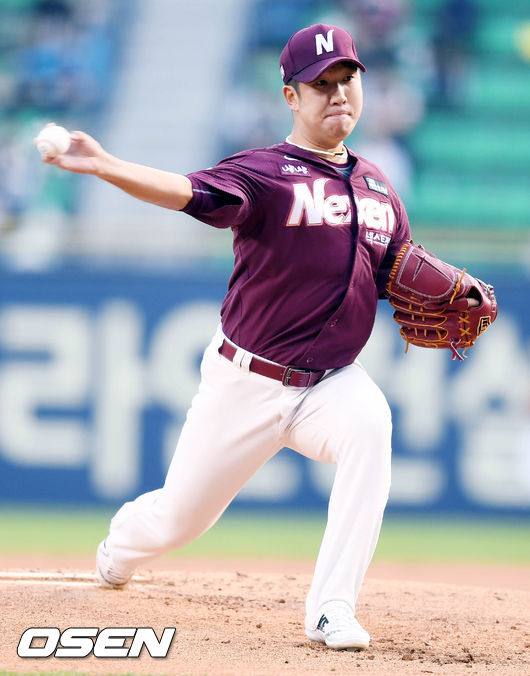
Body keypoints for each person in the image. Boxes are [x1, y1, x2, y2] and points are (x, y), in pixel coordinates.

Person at [38, 24, 413, 651]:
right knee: (179, 521)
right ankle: (120, 547)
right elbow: (187, 192)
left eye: (347, 79)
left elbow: (397, 273)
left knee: (371, 427)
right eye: (320, 84)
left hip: (330, 384)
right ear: (291, 97)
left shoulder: (379, 189)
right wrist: (105, 165)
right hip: (247, 380)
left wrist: (441, 294)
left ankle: (332, 608)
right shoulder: (264, 173)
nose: (337, 93)